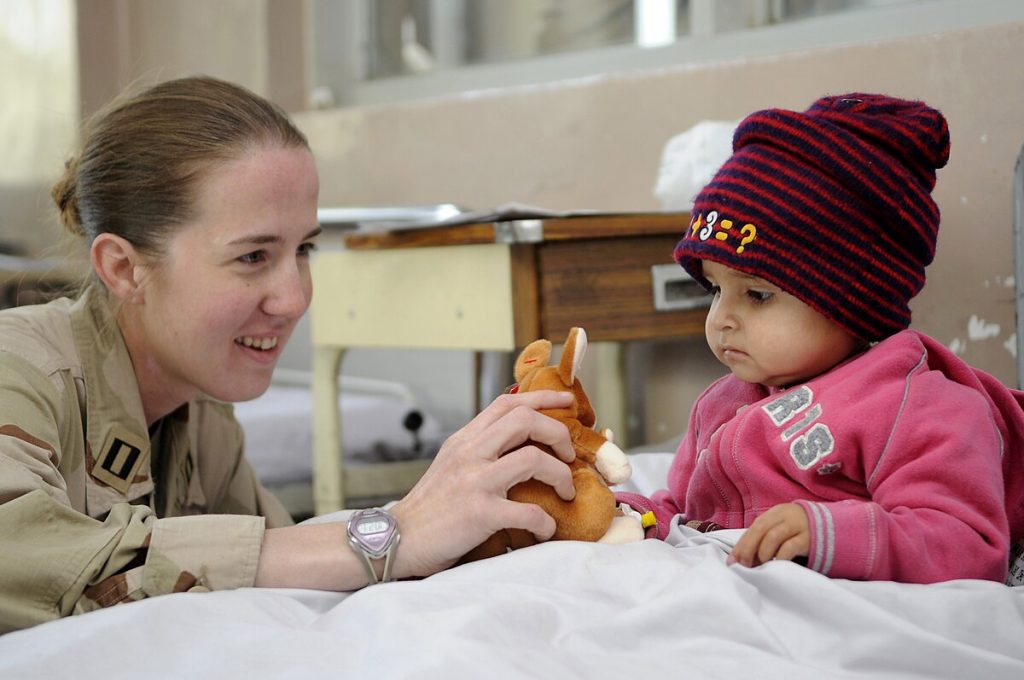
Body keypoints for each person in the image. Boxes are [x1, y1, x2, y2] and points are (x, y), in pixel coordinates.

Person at [0, 75, 580, 633]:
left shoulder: (204, 426)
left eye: (303, 249)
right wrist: (389, 533)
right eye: (253, 256)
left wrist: (470, 521)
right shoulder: (19, 369)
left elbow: (292, 580)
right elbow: (27, 560)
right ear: (124, 269)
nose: (294, 298)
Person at [617, 93, 1024, 584]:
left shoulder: (916, 407)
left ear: (850, 299)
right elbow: (684, 507)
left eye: (758, 295)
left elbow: (967, 544)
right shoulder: (721, 405)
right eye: (716, 289)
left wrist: (829, 534)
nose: (722, 318)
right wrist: (631, 517)